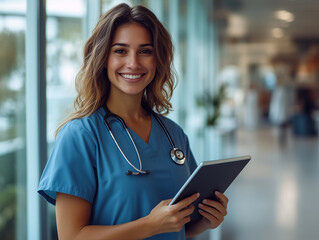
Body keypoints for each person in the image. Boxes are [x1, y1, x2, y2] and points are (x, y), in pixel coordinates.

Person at [38, 3, 228, 240]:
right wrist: (149, 225)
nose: (133, 63)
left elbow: (176, 226)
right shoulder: (80, 135)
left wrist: (205, 222)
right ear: (102, 58)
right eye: (120, 51)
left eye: (145, 51)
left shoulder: (173, 134)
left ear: (157, 60)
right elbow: (72, 237)